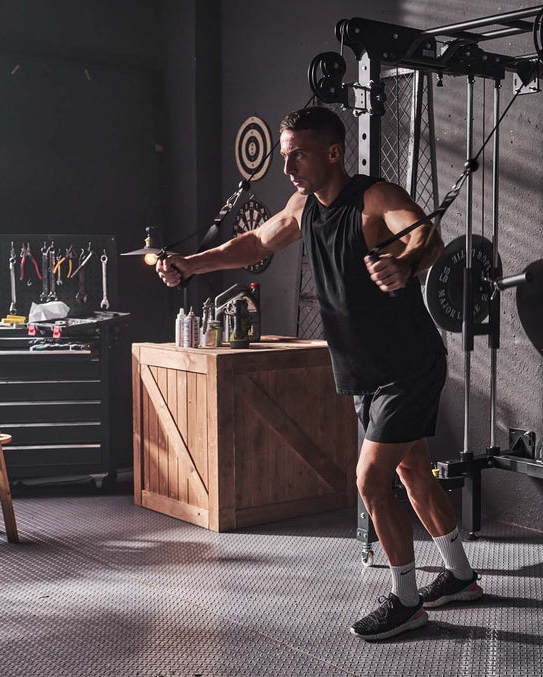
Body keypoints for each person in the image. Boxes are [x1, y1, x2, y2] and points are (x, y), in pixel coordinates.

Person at [155, 106, 482, 641]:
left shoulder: (375, 198)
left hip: (407, 364)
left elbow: (428, 238)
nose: (289, 169)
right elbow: (257, 243)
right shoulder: (303, 206)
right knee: (411, 471)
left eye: (297, 156)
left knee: (369, 480)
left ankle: (406, 599)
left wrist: (405, 260)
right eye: (285, 158)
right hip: (365, 369)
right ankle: (461, 578)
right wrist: (192, 263)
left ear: (333, 152)